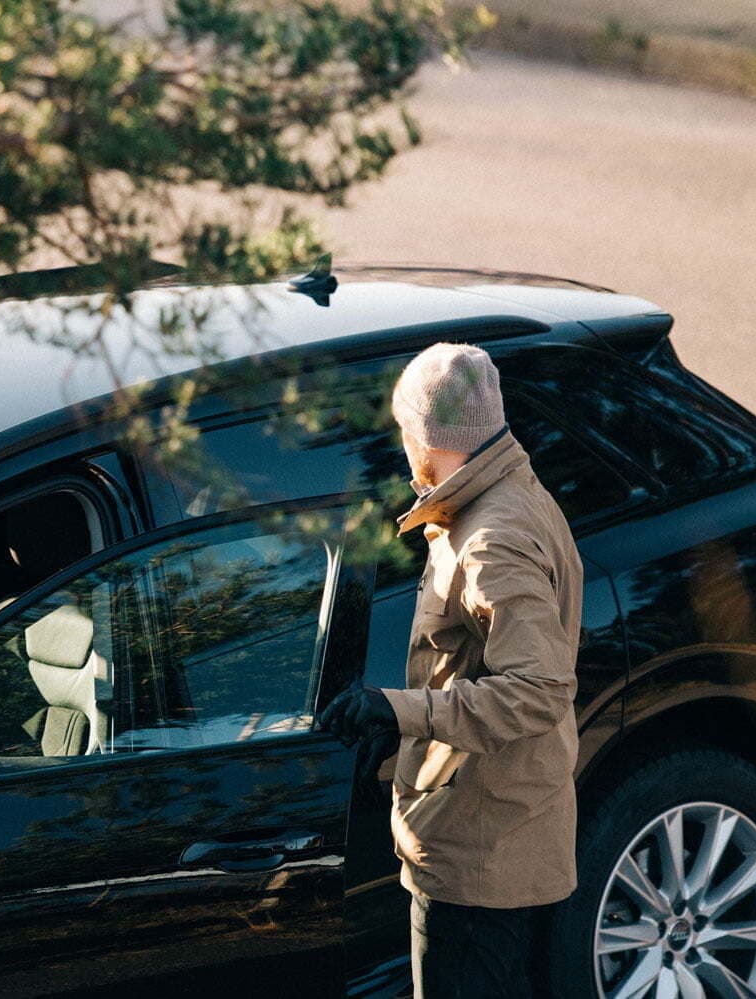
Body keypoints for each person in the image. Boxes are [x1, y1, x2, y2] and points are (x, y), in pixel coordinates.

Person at [318, 342, 584, 998]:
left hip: (479, 856)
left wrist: (399, 709)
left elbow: (537, 689)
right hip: (500, 828)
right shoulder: (510, 496)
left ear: (425, 436)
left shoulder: (492, 538)